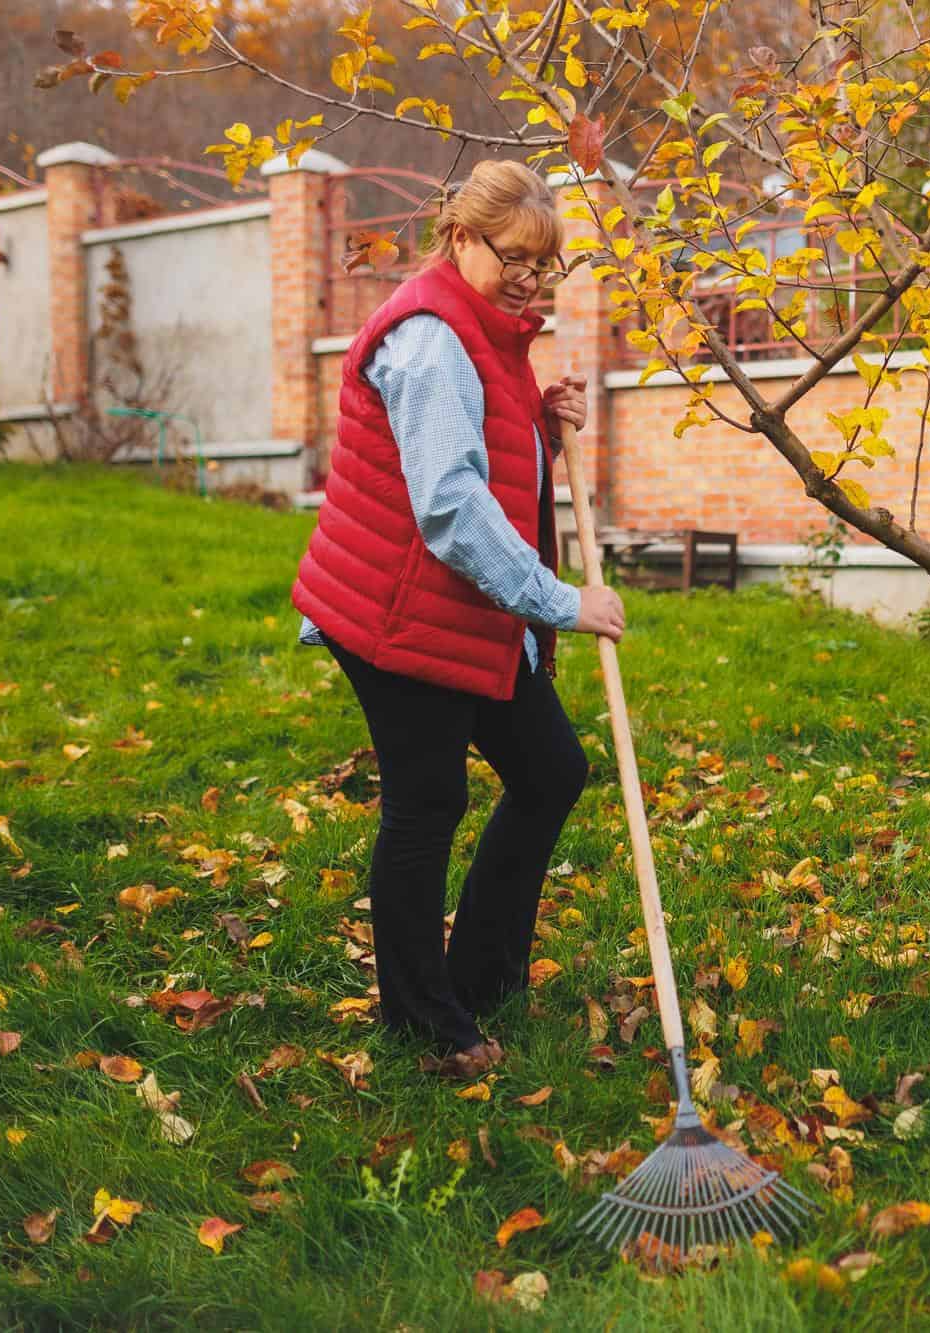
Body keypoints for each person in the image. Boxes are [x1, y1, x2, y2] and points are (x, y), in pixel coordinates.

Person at [290, 159, 626, 1079]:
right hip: (396, 615)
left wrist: (537, 414)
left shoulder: (486, 328)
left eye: (545, 265)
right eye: (515, 258)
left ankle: (481, 973)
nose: (530, 279)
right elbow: (449, 505)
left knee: (551, 770)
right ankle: (423, 1021)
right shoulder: (432, 338)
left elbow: (482, 429)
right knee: (426, 803)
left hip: (460, 610)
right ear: (460, 237)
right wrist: (565, 603)